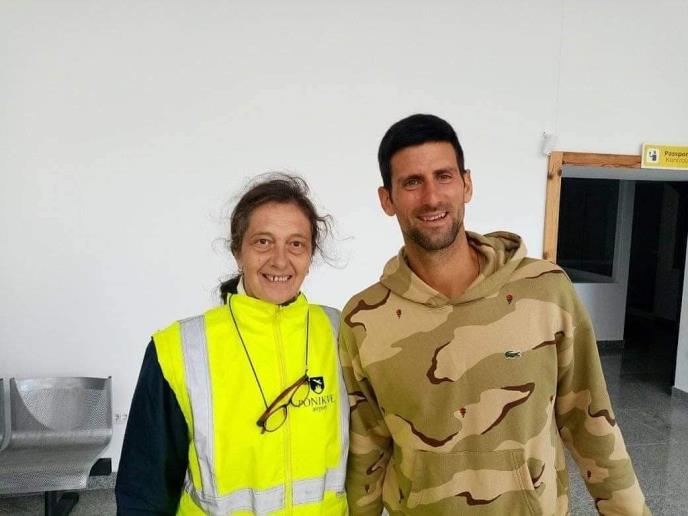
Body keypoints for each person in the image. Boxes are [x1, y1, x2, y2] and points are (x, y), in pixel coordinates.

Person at [339, 114, 650, 515]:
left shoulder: (546, 290)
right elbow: (367, 450)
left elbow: (591, 423)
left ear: (466, 184)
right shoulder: (364, 319)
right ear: (387, 199)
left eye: (444, 176)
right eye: (412, 182)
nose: (431, 197)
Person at [116, 174, 348, 515]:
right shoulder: (179, 349)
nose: (280, 260)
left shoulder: (341, 333)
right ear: (238, 252)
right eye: (263, 242)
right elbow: (144, 492)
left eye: (296, 244)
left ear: (310, 256)